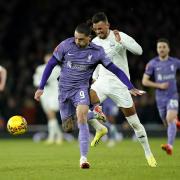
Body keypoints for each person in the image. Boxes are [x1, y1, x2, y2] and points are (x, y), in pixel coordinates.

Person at [34, 23, 142, 169]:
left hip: (81, 89)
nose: (77, 41)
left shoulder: (97, 52)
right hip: (64, 90)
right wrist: (41, 87)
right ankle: (95, 116)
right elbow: (51, 64)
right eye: (76, 38)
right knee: (68, 127)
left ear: (89, 38)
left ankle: (83, 159)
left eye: (81, 39)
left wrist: (130, 86)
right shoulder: (66, 45)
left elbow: (115, 69)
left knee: (81, 118)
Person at [87, 12, 157, 167]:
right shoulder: (94, 42)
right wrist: (95, 76)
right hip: (102, 82)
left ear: (108, 25)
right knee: (82, 104)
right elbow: (98, 62)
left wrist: (122, 43)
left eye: (101, 28)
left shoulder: (119, 36)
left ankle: (148, 153)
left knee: (135, 124)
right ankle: (100, 129)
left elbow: (139, 51)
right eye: (96, 29)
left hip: (120, 84)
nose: (99, 32)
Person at [142, 38, 180, 155]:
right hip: (160, 98)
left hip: (173, 95)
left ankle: (169, 146)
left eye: (164, 47)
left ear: (168, 49)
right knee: (166, 122)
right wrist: (159, 85)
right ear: (157, 49)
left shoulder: (175, 62)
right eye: (159, 47)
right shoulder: (153, 64)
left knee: (170, 119)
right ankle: (176, 122)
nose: (162, 49)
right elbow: (144, 81)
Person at [33, 53, 63, 145]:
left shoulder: (58, 69)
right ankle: (57, 135)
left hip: (55, 93)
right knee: (49, 116)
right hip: (44, 94)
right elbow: (36, 80)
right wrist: (41, 83)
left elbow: (62, 80)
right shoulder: (40, 68)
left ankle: (52, 136)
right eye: (47, 58)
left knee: (51, 113)